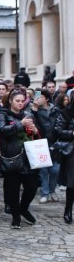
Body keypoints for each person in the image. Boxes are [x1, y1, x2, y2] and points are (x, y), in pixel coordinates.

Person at [0, 88, 40, 229]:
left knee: (32, 187)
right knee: (12, 189)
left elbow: (36, 134)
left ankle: (23, 208)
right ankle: (16, 216)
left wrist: (35, 131)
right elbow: (2, 130)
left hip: (28, 157)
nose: (20, 103)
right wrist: (21, 124)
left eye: (22, 101)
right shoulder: (3, 114)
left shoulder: (28, 114)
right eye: (17, 101)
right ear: (10, 101)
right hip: (12, 156)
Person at [31, 89, 60, 203]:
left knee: (55, 170)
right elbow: (32, 124)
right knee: (43, 171)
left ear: (47, 99)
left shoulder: (55, 109)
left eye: (40, 97)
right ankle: (45, 193)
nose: (37, 99)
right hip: (41, 143)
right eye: (36, 97)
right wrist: (34, 109)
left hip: (55, 143)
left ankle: (52, 190)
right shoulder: (34, 111)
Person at [54, 92, 74, 223]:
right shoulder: (67, 112)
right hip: (72, 150)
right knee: (72, 184)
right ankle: (68, 210)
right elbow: (58, 130)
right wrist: (72, 132)